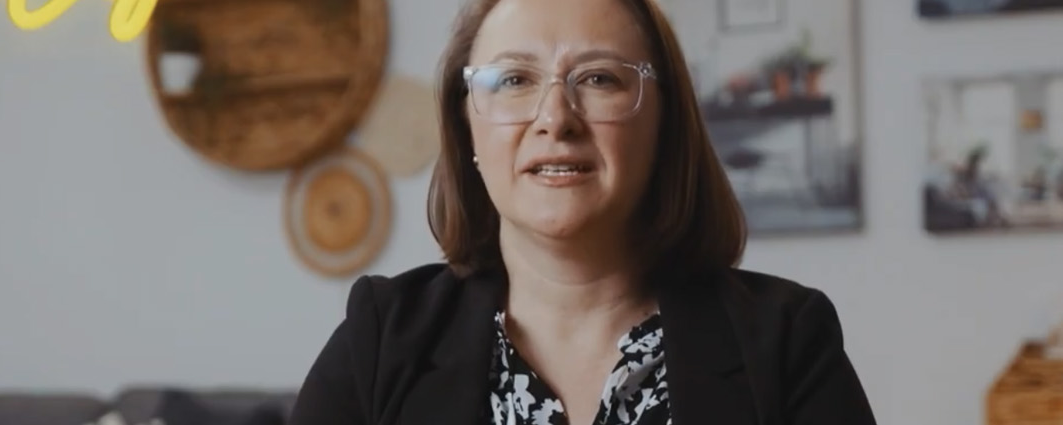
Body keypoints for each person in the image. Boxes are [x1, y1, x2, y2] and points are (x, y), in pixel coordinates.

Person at [287, 0, 877, 423]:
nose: (556, 118)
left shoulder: (788, 343)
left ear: (664, 125)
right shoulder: (380, 340)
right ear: (467, 128)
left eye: (598, 78)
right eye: (514, 79)